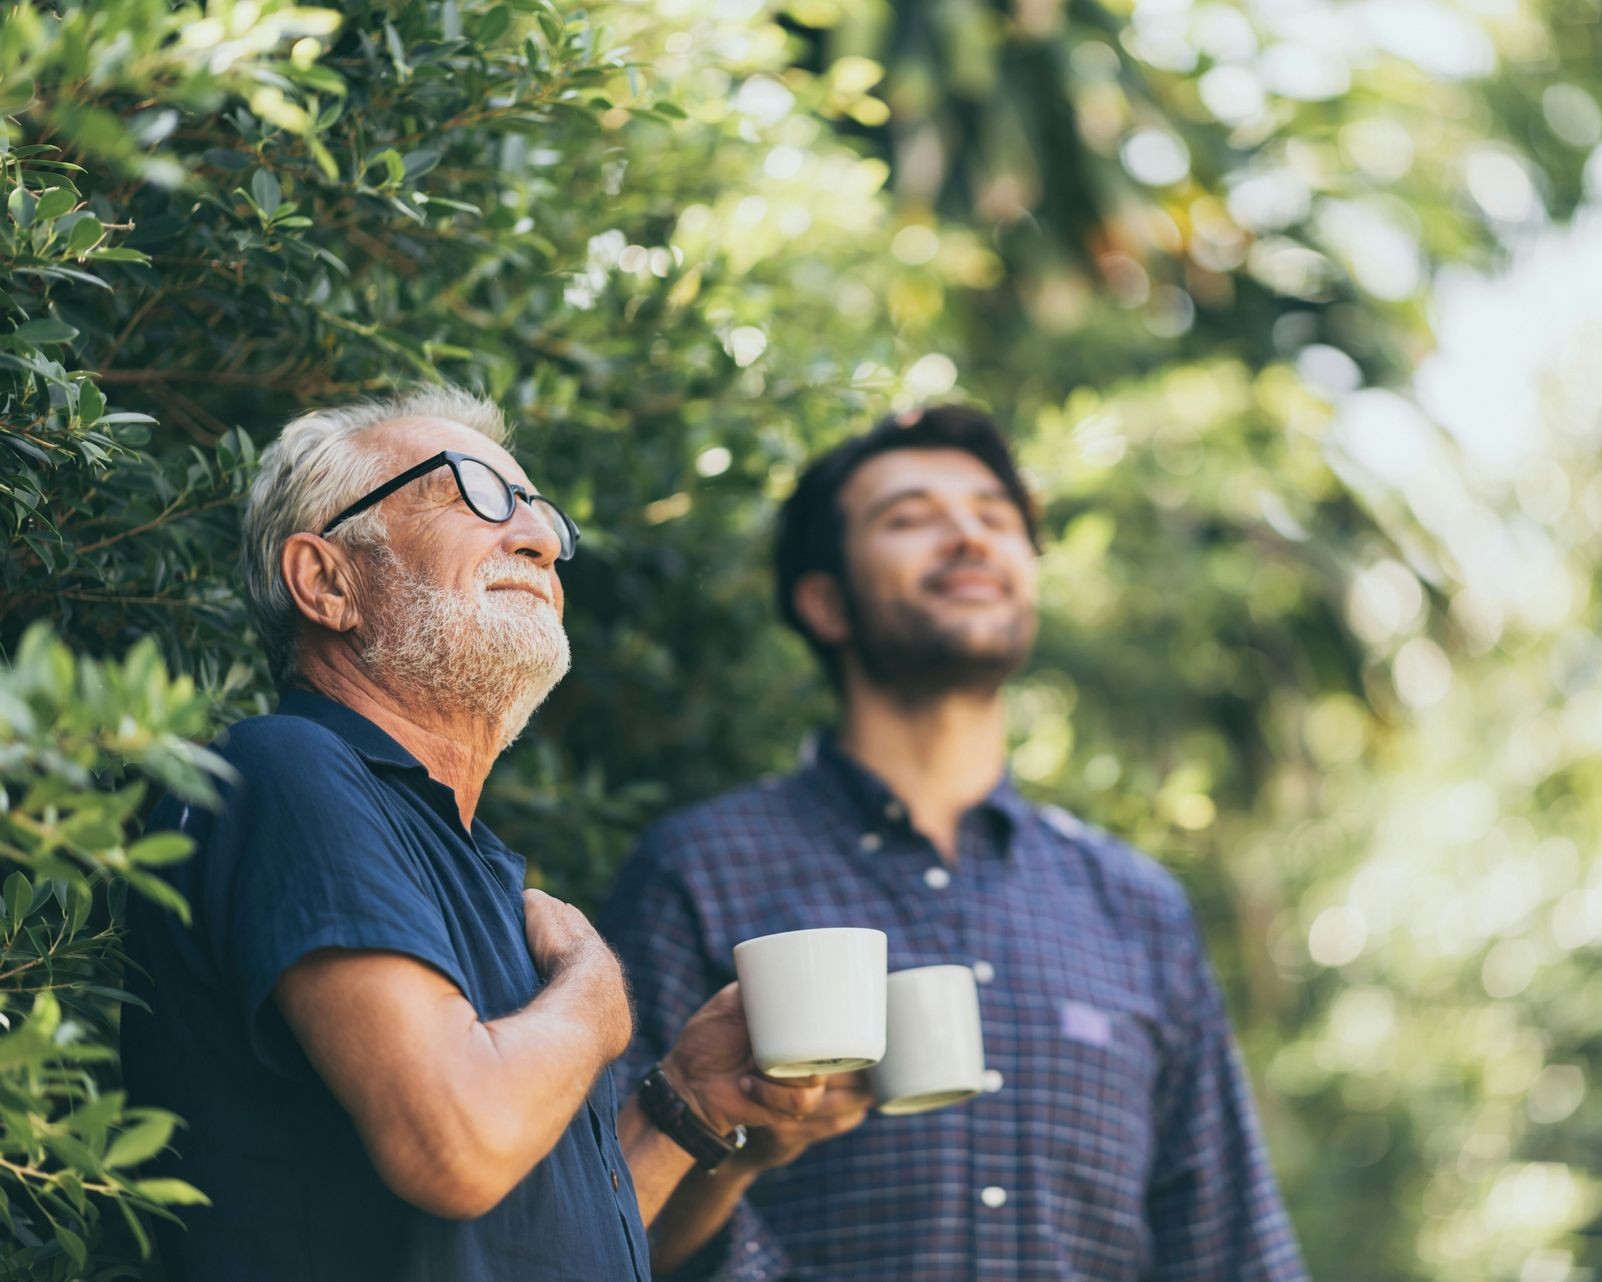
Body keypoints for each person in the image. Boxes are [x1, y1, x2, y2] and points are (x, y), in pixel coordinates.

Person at [121, 388, 826, 1282]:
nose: (535, 537)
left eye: (540, 514)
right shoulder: (285, 769)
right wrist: (597, 994)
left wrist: (688, 1099)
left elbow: (534, 1243)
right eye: (474, 494)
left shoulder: (458, 853)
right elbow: (456, 1146)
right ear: (327, 581)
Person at [602, 405, 1311, 1280]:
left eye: (994, 516)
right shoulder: (696, 870)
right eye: (911, 518)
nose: (971, 538)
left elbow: (1229, 1246)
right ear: (826, 601)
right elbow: (595, 1228)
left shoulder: (1136, 904)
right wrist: (736, 1145)